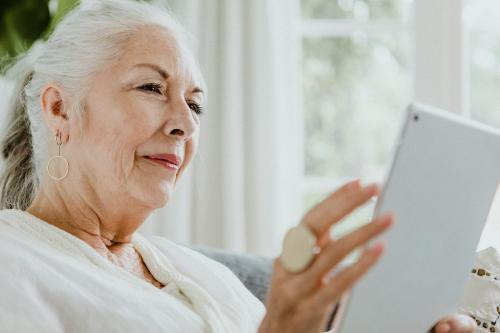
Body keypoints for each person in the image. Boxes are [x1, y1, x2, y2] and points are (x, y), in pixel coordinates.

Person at [0, 0, 475, 332]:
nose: (184, 123)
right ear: (60, 108)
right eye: (151, 88)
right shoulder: (14, 264)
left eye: (195, 104)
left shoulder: (200, 273)